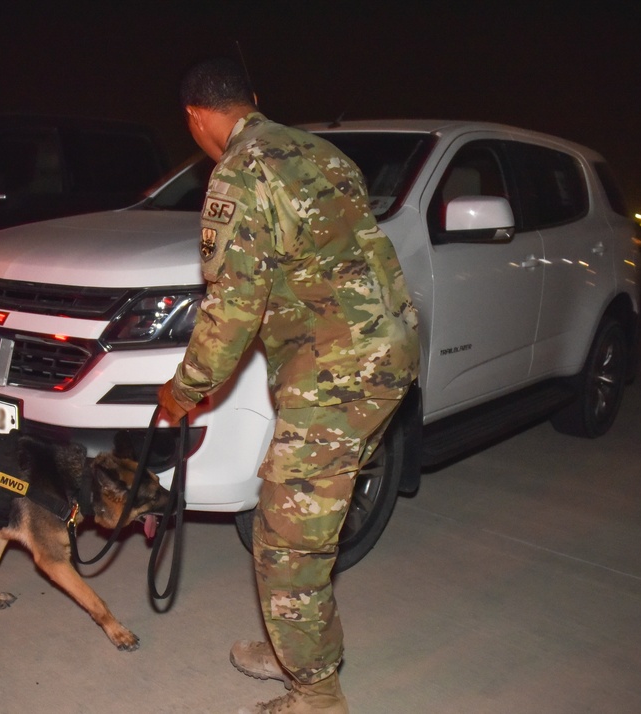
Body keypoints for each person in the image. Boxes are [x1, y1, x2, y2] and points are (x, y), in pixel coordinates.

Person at [157, 57, 420, 714]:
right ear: (254, 99)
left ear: (195, 115)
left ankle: (317, 692)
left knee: (286, 536)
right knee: (304, 516)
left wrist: (186, 388)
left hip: (339, 371)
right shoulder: (322, 153)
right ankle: (291, 651)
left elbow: (233, 305)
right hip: (381, 352)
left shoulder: (239, 173)